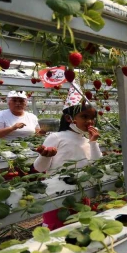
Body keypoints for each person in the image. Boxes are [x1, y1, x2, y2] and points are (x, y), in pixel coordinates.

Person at [34, 86, 102, 230]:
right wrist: (45, 156)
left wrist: (94, 142)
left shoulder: (87, 140)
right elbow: (39, 168)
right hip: (56, 193)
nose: (90, 121)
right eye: (84, 116)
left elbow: (96, 164)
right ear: (68, 118)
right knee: (57, 228)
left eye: (92, 118)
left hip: (81, 190)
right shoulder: (56, 137)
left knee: (81, 228)